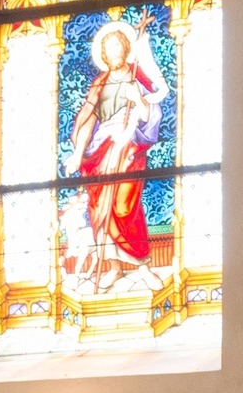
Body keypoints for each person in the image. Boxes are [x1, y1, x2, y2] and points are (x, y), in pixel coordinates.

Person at [68, 20, 168, 294]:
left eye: (116, 46)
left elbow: (151, 117)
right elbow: (88, 120)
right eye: (107, 48)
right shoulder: (99, 84)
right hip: (100, 153)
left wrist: (139, 99)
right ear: (103, 54)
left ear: (125, 48)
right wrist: (78, 152)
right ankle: (113, 267)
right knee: (101, 208)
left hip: (128, 149)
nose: (112, 51)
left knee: (125, 207)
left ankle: (144, 267)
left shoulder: (138, 79)